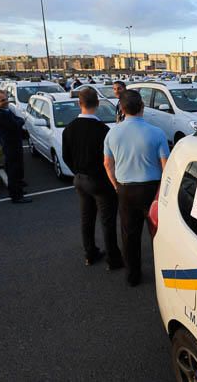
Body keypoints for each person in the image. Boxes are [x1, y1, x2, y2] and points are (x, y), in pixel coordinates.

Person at [104, 90, 169, 286]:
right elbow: (166, 166)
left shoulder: (112, 132)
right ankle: (163, 274)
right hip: (151, 189)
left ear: (122, 109)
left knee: (129, 234)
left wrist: (116, 185)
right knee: (157, 233)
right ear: (142, 106)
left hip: (125, 189)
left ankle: (133, 276)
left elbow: (108, 164)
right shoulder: (157, 132)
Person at [63, 87, 123, 268]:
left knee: (86, 218)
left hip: (80, 179)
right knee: (107, 221)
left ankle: (90, 253)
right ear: (97, 104)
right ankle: (113, 258)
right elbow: (109, 160)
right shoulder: (103, 130)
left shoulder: (69, 128)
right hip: (100, 182)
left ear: (79, 104)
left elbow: (66, 156)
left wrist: (77, 171)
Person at [0, 89, 30, 203]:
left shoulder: (4, 111)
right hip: (10, 147)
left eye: (6, 99)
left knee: (17, 171)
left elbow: (16, 121)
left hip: (14, 145)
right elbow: (16, 124)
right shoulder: (0, 114)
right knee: (13, 172)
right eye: (3, 100)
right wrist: (22, 120)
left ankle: (19, 191)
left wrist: (19, 120)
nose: (6, 101)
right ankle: (16, 196)